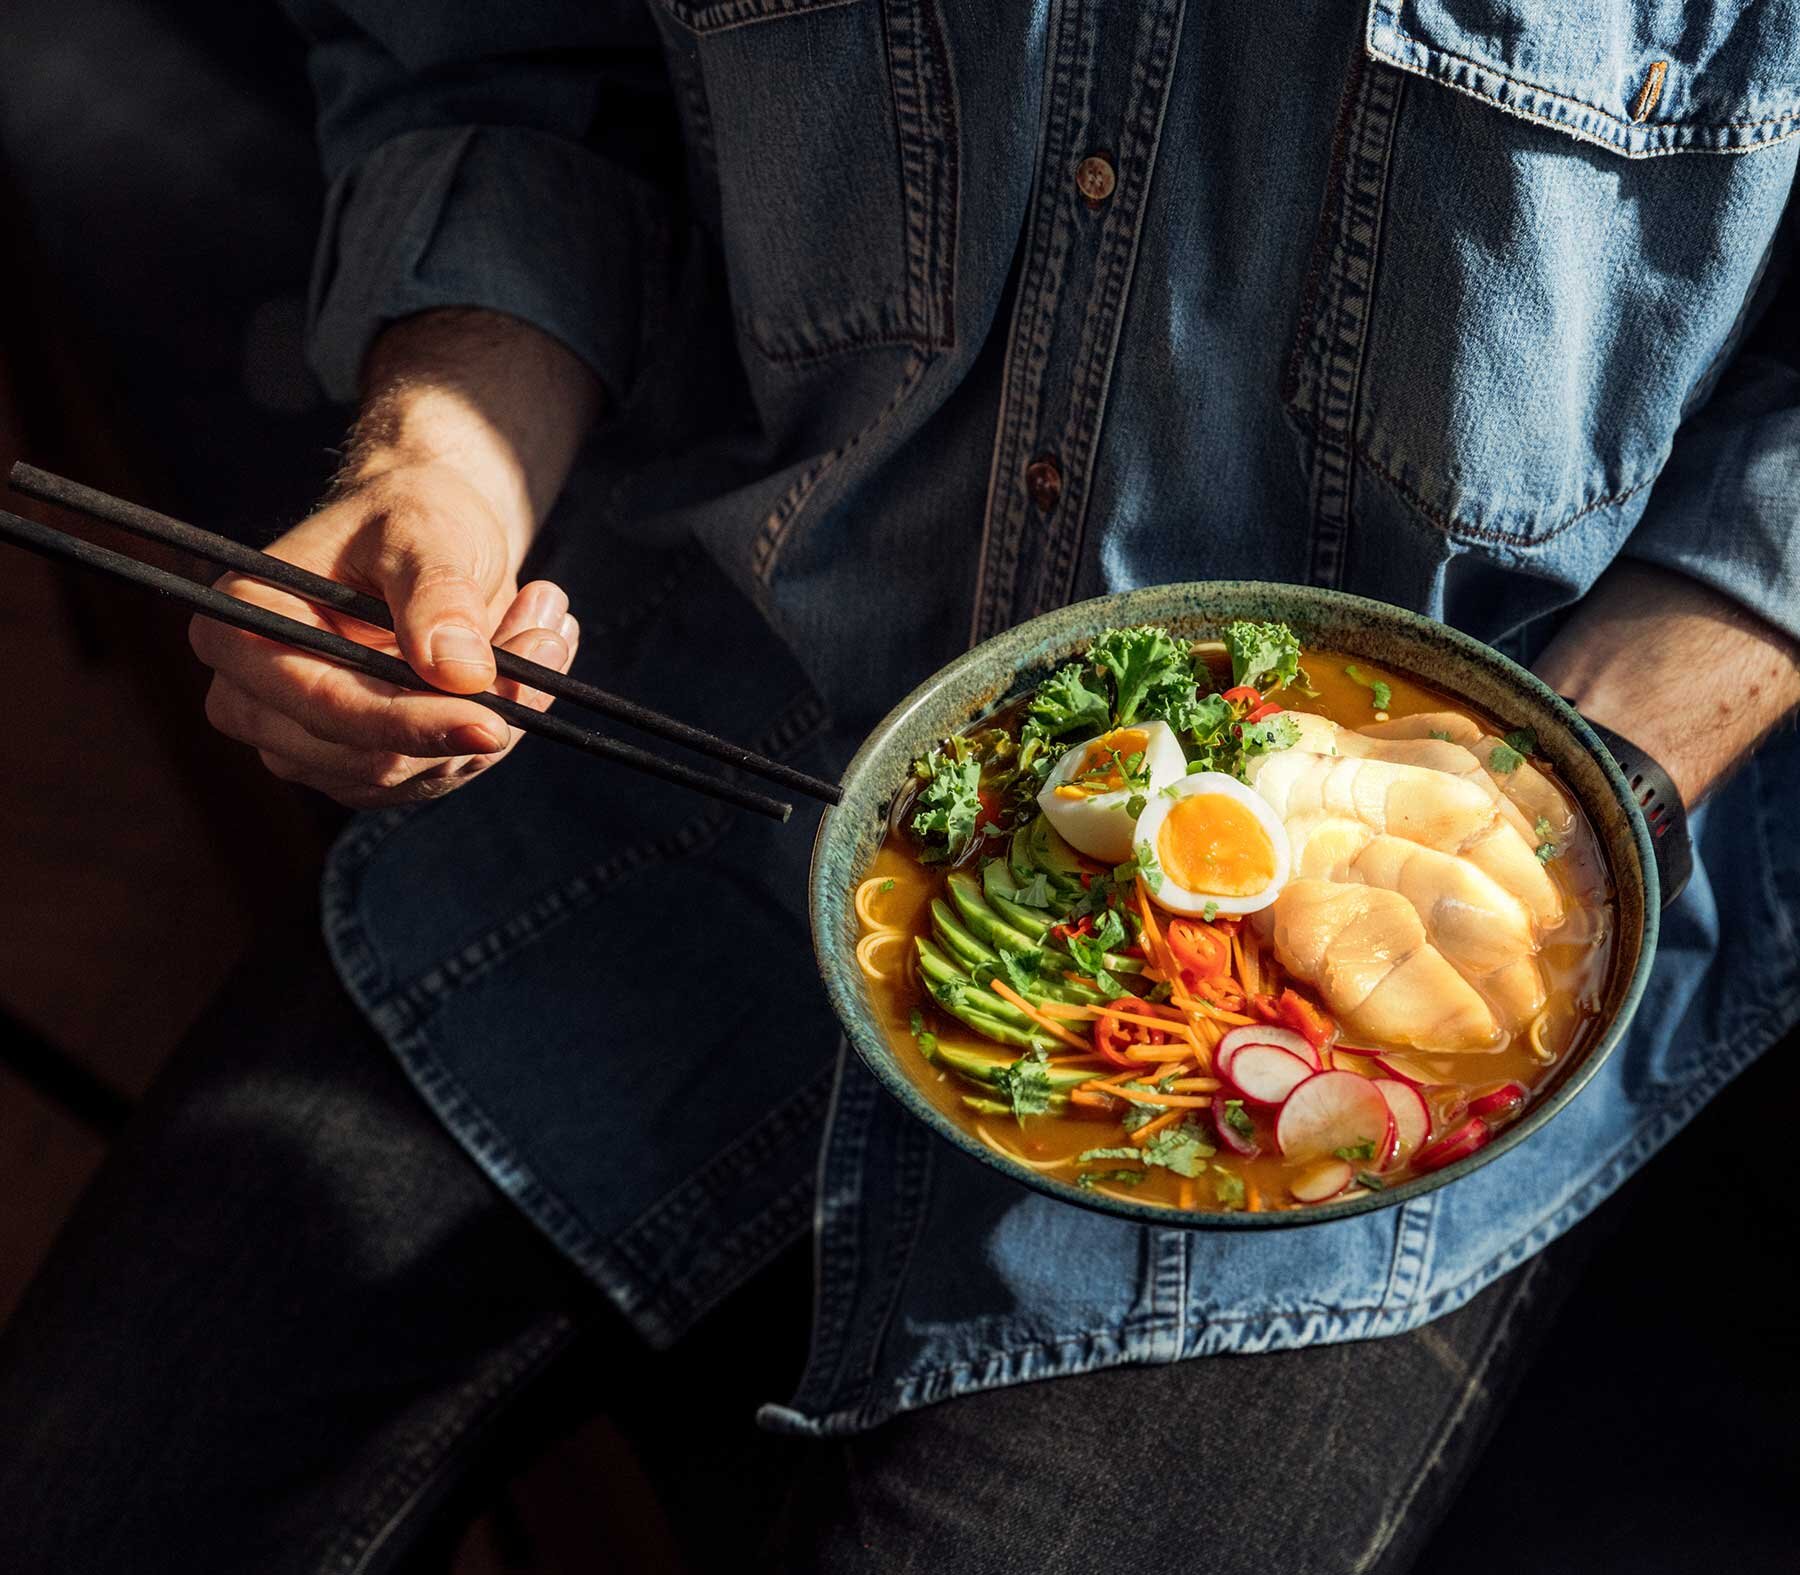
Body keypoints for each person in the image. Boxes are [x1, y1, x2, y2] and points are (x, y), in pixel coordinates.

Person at [3, 3, 1798, 1570]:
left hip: (1421, 969)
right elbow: (511, 59)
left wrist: (1546, 810)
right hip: (679, 744)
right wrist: (445, 473)